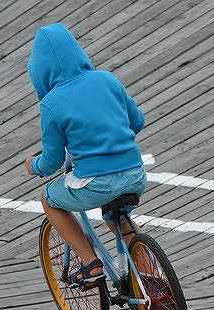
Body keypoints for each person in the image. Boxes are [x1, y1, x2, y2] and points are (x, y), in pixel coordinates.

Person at [23, 23, 146, 288]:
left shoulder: (51, 103)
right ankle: (151, 277)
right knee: (116, 216)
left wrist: (33, 166)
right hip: (135, 173)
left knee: (49, 200)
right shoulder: (107, 79)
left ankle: (91, 264)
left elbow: (53, 161)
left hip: (96, 182)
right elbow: (137, 121)